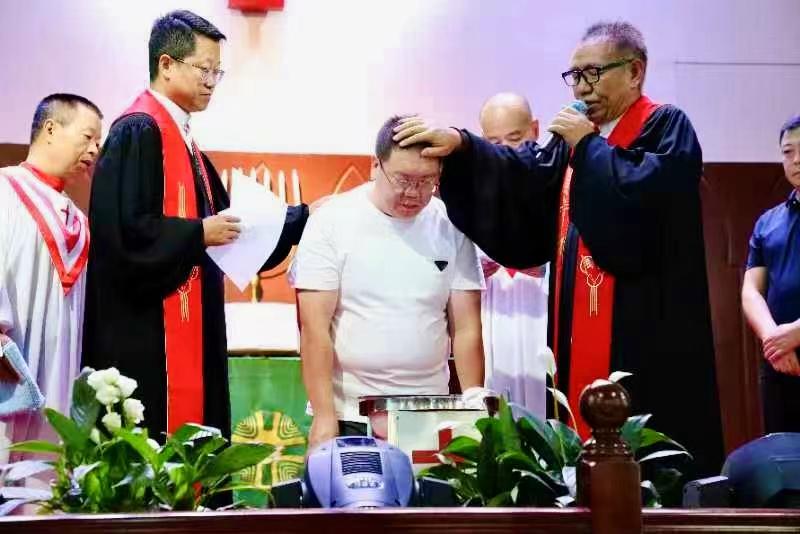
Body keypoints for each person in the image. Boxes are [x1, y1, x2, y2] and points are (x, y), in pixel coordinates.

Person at [394, 21, 723, 478]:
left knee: (651, 460)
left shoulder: (665, 127)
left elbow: (647, 206)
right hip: (576, 331)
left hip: (647, 334)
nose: (582, 87)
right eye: (575, 76)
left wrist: (588, 146)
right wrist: (464, 146)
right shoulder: (572, 140)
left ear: (635, 72)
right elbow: (525, 177)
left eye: (594, 73)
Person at [82, 10, 311, 441]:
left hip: (191, 326)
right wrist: (198, 234)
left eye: (217, 72)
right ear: (166, 64)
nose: (211, 82)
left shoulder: (187, 144)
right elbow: (124, 234)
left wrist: (302, 220)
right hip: (146, 337)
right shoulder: (139, 131)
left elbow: (230, 226)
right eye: (204, 69)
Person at [291, 116, 486, 449]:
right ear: (375, 166)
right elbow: (314, 328)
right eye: (403, 179)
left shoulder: (451, 225)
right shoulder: (331, 222)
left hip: (431, 413)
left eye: (427, 181)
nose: (413, 193)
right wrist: (324, 416)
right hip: (351, 413)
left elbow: (467, 327)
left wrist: (473, 406)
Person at [0, 94, 102, 460]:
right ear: (50, 129)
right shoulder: (5, 191)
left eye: (99, 142)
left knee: (47, 470)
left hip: (58, 379)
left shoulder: (78, 220)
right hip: (9, 370)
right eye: (88, 137)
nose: (95, 150)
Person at [477, 93, 550, 417]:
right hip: (493, 311)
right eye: (494, 142)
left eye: (515, 138)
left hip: (541, 308)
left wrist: (542, 266)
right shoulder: (471, 190)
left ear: (535, 129)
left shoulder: (556, 180)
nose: (505, 150)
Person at [742, 114, 800, 433]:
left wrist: (797, 332)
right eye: (788, 152)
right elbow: (751, 291)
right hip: (779, 363)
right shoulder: (768, 222)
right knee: (782, 454)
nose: (796, 160)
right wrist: (773, 339)